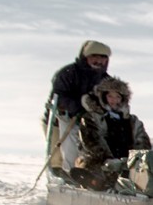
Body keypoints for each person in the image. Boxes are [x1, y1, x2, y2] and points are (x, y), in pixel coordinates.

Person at [70, 76, 151, 191]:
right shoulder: (91, 118)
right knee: (93, 170)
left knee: (141, 176)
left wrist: (134, 161)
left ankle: (131, 186)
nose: (114, 100)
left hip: (128, 164)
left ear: (123, 99)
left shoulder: (133, 121)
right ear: (103, 97)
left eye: (117, 97)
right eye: (110, 96)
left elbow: (142, 142)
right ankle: (96, 183)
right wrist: (108, 160)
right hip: (100, 162)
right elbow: (92, 142)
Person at [45, 40, 111, 181]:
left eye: (103, 57)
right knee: (64, 153)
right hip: (64, 118)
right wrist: (79, 106)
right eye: (95, 56)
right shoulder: (68, 73)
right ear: (85, 56)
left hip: (91, 122)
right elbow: (59, 97)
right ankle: (67, 177)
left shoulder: (106, 80)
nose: (98, 60)